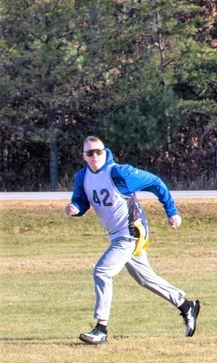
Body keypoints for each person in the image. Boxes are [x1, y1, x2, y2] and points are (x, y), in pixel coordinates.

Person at [65, 136, 200, 344]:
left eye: (98, 151)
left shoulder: (120, 173)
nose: (95, 156)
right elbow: (81, 201)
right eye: (90, 153)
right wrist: (75, 208)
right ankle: (185, 305)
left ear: (105, 151)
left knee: (102, 271)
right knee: (145, 278)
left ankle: (101, 329)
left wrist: (172, 212)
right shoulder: (82, 176)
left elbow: (155, 182)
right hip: (116, 235)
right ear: (83, 156)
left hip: (130, 233)